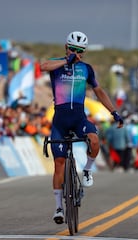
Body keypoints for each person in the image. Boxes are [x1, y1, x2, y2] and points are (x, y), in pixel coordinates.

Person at [40, 31, 124, 224]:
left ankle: (87, 169)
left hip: (79, 119)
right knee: (59, 163)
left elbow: (99, 91)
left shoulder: (86, 69)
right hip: (60, 121)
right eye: (73, 49)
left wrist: (114, 112)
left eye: (80, 51)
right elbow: (43, 66)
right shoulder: (56, 65)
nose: (76, 53)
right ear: (66, 47)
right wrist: (66, 61)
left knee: (94, 139)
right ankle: (59, 208)